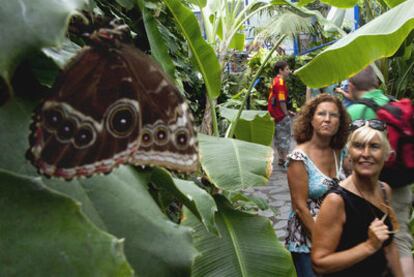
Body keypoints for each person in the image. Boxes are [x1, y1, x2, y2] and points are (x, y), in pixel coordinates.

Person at [312, 120, 403, 276]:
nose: (365, 154)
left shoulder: (384, 190)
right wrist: (369, 246)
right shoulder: (337, 201)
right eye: (359, 146)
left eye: (374, 146)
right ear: (349, 152)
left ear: (387, 153)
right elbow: (319, 263)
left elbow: (389, 246)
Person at [346, 66, 414, 276]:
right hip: (401, 184)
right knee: (400, 240)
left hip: (366, 188)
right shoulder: (395, 104)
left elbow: (346, 158)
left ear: (351, 86)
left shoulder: (354, 111)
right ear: (377, 84)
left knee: (363, 238)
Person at [285, 94, 351, 277]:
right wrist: (324, 243)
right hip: (308, 241)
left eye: (334, 115)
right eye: (321, 114)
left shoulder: (341, 152)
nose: (327, 119)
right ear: (311, 120)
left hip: (337, 236)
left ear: (340, 121)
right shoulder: (298, 157)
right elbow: (300, 207)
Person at [268, 61, 294, 167]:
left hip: (274, 113)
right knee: (285, 136)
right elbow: (282, 100)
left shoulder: (274, 80)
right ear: (281, 70)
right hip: (280, 115)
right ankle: (285, 158)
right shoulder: (281, 82)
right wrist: (286, 113)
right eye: (287, 69)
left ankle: (280, 157)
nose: (289, 71)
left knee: (278, 136)